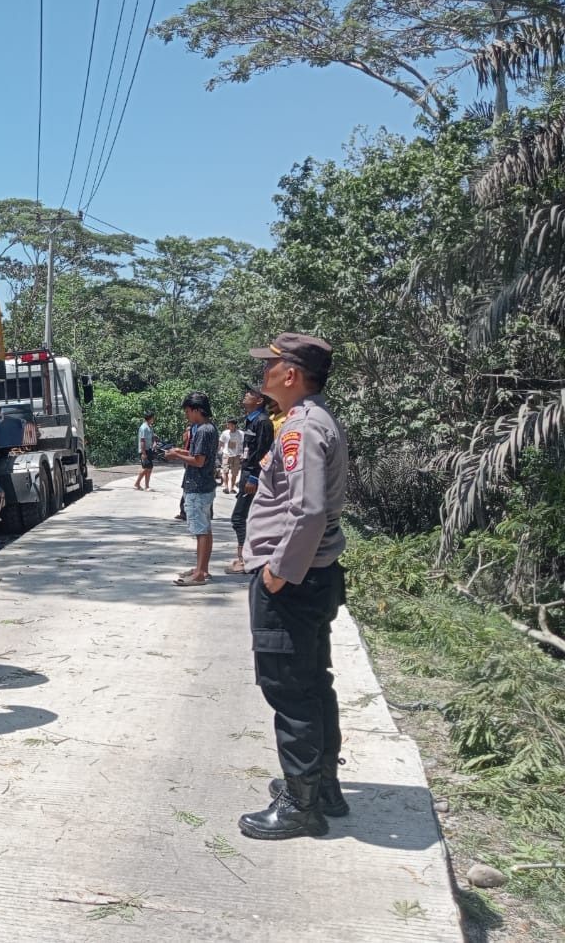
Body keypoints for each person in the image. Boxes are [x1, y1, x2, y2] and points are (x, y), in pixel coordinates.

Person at [238, 333, 349, 840]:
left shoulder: (300, 429)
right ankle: (321, 785)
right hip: (314, 577)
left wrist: (277, 572)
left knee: (290, 689)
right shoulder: (312, 421)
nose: (262, 376)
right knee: (312, 679)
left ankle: (302, 806)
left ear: (291, 375)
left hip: (294, 581)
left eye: (270, 367)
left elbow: (306, 512)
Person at [165, 393, 217, 586]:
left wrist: (177, 456)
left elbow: (198, 460)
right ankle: (201, 568)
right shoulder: (209, 428)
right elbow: (197, 453)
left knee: (201, 530)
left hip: (198, 486)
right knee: (205, 528)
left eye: (187, 411)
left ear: (196, 410)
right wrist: (180, 451)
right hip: (204, 485)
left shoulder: (203, 430)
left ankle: (200, 573)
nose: (186, 415)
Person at [226, 386, 275, 575]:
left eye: (250, 394)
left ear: (259, 401)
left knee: (239, 518)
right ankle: (248, 558)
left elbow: (264, 452)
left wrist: (254, 477)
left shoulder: (263, 422)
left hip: (254, 475)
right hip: (247, 472)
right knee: (248, 518)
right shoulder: (251, 421)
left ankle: (245, 560)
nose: (245, 396)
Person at [220, 419, 244, 493]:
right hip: (226, 454)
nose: (228, 426)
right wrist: (216, 452)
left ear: (234, 425)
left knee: (234, 473)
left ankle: (232, 488)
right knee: (225, 471)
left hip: (236, 455)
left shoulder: (241, 433)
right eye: (227, 424)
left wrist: (243, 453)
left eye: (229, 424)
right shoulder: (225, 433)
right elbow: (220, 442)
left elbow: (244, 444)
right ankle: (226, 487)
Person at [133, 412, 155, 490]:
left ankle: (147, 486)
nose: (153, 419)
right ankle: (137, 483)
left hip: (149, 449)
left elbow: (153, 437)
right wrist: (143, 453)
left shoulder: (150, 427)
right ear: (149, 418)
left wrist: (154, 443)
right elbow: (142, 441)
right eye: (152, 418)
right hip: (144, 450)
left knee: (150, 468)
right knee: (146, 467)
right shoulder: (143, 428)